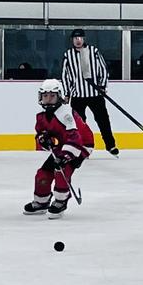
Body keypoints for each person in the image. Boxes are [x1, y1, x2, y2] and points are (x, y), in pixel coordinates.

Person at [24, 79, 93, 219]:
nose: (48, 99)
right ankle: (41, 202)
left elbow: (76, 138)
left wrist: (65, 157)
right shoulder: (42, 115)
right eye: (45, 96)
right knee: (43, 174)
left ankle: (61, 200)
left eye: (52, 96)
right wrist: (44, 139)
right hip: (64, 145)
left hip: (81, 146)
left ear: (59, 96)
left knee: (61, 171)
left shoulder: (66, 114)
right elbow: (41, 133)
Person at [60, 28, 118, 156]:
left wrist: (102, 86)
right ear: (72, 40)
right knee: (79, 124)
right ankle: (81, 146)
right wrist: (67, 93)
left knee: (103, 120)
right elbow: (65, 75)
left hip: (95, 94)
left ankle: (110, 145)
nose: (78, 40)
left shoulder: (93, 51)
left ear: (84, 39)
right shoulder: (68, 54)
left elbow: (103, 69)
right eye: (75, 38)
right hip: (77, 95)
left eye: (80, 38)